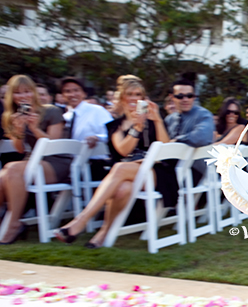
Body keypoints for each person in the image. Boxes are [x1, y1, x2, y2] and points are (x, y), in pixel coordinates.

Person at [54, 75, 169, 249]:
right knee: (123, 188)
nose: (134, 98)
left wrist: (157, 120)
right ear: (122, 97)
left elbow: (166, 150)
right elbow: (123, 151)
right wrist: (136, 128)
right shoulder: (115, 125)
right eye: (130, 93)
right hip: (126, 174)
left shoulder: (153, 121)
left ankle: (81, 220)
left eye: (138, 94)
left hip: (157, 172)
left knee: (119, 168)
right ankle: (104, 231)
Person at [0, 75, 66, 244]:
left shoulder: (51, 111)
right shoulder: (10, 116)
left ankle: (14, 223)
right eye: (17, 93)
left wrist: (35, 128)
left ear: (33, 93)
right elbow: (20, 149)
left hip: (56, 162)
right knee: (3, 175)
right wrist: (19, 130)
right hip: (30, 162)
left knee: (11, 168)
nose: (23, 96)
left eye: (27, 91)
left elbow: (53, 145)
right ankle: (9, 221)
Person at [59, 77, 114, 179]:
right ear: (62, 96)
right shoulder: (65, 117)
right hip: (69, 164)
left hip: (93, 164)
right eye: (67, 91)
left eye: (76, 90)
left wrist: (97, 138)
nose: (72, 94)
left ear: (84, 93)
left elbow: (113, 134)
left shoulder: (97, 111)